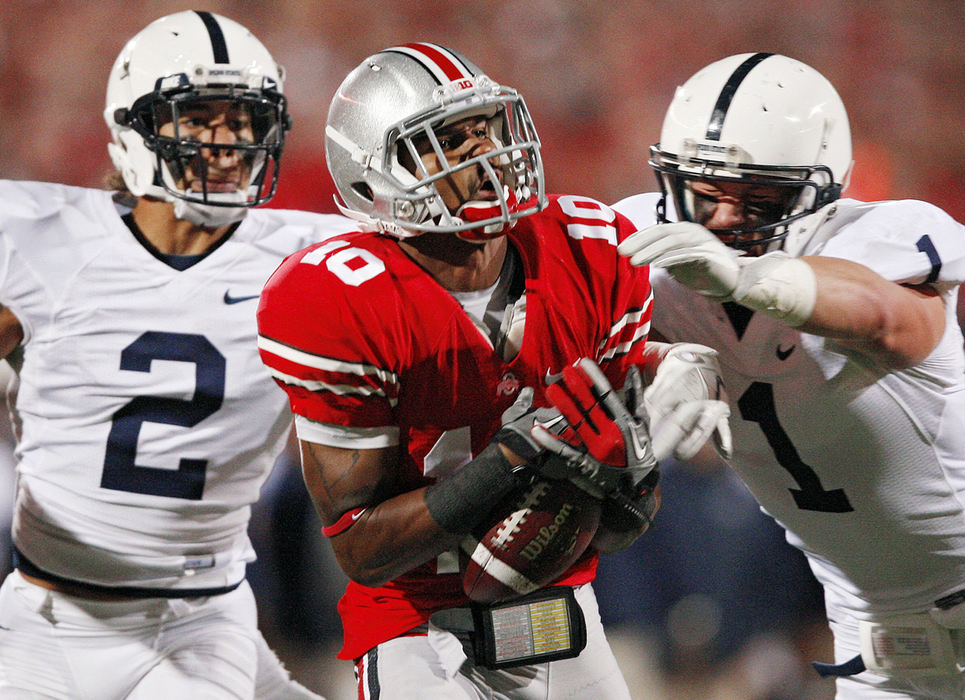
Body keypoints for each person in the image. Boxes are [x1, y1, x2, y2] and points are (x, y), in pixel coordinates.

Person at [256, 42, 729, 699]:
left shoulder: (585, 247)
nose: (489, 157)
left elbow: (621, 475)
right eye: (452, 142)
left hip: (560, 608)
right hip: (416, 629)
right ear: (375, 176)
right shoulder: (342, 297)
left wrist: (678, 380)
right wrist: (509, 463)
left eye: (488, 130)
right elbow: (360, 548)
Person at [615, 52, 965, 698]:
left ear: (823, 195)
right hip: (872, 629)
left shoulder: (872, 242)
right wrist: (656, 365)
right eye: (705, 197)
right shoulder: (649, 254)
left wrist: (755, 281)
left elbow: (888, 315)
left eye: (759, 200)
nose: (725, 223)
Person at [0, 11, 355, 698]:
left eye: (245, 121)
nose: (228, 143)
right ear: (136, 124)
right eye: (202, 119)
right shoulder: (47, 240)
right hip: (45, 612)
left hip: (198, 620)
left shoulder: (308, 258)